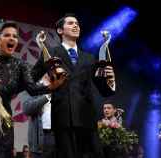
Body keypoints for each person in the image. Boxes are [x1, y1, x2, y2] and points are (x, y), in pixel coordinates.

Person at [0, 22, 65, 158]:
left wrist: (51, 87)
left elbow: (32, 89)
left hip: (4, 120)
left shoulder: (20, 65)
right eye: (7, 35)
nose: (12, 38)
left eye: (15, 36)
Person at [32, 13, 116, 158]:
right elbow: (31, 80)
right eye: (70, 23)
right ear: (60, 30)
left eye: (77, 23)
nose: (76, 25)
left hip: (87, 119)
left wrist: (110, 79)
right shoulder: (51, 53)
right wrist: (48, 88)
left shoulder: (89, 58)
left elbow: (104, 91)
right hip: (64, 119)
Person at [23, 74, 56, 158]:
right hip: (40, 138)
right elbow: (26, 109)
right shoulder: (33, 87)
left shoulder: (61, 86)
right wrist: (47, 96)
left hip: (58, 136)